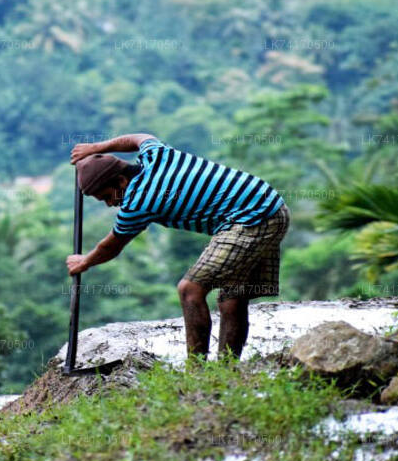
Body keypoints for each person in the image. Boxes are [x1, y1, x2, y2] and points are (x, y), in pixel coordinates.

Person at [65, 133, 288, 360]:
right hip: (269, 204)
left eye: (107, 196)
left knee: (190, 289)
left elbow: (110, 247)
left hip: (254, 219)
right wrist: (97, 147)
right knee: (232, 297)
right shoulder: (156, 155)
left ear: (121, 181)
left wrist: (84, 261)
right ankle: (226, 369)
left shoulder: (138, 202)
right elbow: (139, 138)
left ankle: (196, 369)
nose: (110, 204)